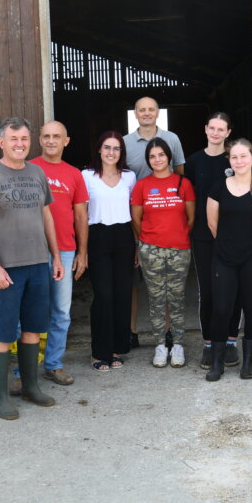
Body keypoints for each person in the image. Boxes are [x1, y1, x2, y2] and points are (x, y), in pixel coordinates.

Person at [0, 117, 65, 420]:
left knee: (32, 329)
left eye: (24, 138)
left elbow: (47, 217)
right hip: (6, 269)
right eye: (14, 139)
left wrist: (55, 256)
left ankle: (30, 387)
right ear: (2, 142)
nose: (20, 144)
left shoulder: (37, 172)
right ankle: (0, 397)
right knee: (2, 332)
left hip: (38, 263)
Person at [204, 139, 252, 381]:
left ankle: (248, 361)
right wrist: (228, 246)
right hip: (224, 258)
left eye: (243, 156)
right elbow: (212, 224)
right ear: (230, 161)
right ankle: (217, 363)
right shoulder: (218, 188)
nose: (239, 161)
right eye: (234, 157)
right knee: (222, 309)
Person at [123, 96, 186, 348]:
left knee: (167, 281)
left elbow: (180, 176)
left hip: (165, 216)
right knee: (134, 277)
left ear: (158, 112)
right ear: (135, 114)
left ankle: (168, 331)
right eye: (141, 110)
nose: (146, 113)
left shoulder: (172, 139)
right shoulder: (126, 143)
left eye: (151, 109)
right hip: (134, 215)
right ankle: (131, 330)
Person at [30, 121, 89, 385]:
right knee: (30, 312)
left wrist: (82, 253)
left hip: (65, 251)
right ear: (39, 140)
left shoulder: (74, 174)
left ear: (66, 141)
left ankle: (53, 364)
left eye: (57, 137)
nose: (51, 141)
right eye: (46, 136)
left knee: (61, 312)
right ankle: (25, 370)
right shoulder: (28, 169)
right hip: (31, 251)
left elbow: (80, 216)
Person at [130, 137, 195, 368]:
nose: (157, 159)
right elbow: (136, 220)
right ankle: (160, 345)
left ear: (169, 156)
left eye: (161, 155)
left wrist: (175, 236)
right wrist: (150, 239)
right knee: (157, 299)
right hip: (151, 249)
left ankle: (177, 344)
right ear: (148, 160)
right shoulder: (142, 185)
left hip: (179, 249)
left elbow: (191, 218)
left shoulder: (183, 183)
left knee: (176, 299)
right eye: (152, 156)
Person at [185, 112, 242, 370]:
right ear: (205, 129)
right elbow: (188, 199)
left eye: (221, 129)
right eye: (212, 128)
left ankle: (230, 341)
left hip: (233, 235)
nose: (216, 133)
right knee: (207, 291)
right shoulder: (194, 161)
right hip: (202, 235)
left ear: (228, 132)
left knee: (232, 289)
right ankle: (209, 343)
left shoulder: (236, 160)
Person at [83, 132, 138, 372]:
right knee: (103, 296)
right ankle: (99, 352)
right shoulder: (86, 176)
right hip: (98, 236)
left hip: (124, 237)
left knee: (122, 295)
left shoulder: (129, 176)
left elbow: (134, 213)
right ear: (99, 149)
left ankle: (117, 348)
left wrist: (137, 245)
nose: (111, 152)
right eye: (107, 147)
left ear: (121, 153)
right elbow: (82, 214)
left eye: (116, 149)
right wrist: (82, 250)